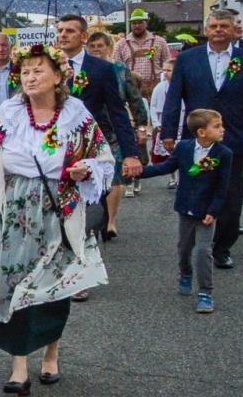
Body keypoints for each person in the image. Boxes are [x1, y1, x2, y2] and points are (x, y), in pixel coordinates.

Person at [0, 42, 112, 394]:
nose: (29, 78)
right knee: (11, 282)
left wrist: (85, 168)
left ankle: (51, 353)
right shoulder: (9, 113)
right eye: (25, 72)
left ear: (58, 76)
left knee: (52, 284)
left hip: (57, 207)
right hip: (13, 208)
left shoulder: (76, 116)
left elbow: (103, 159)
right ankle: (19, 366)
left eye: (38, 71)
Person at [158, 9, 243, 270]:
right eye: (214, 26)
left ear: (233, 30)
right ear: (206, 30)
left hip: (234, 136)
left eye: (224, 26)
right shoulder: (188, 59)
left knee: (232, 194)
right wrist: (168, 133)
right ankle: (197, 241)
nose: (219, 30)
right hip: (197, 139)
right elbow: (173, 98)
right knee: (198, 189)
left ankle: (222, 247)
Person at [134, 110, 233, 314]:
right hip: (185, 207)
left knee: (204, 251)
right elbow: (166, 167)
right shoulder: (184, 148)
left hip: (206, 211)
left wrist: (214, 210)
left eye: (221, 125)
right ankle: (185, 273)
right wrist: (140, 172)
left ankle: (205, 292)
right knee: (184, 249)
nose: (222, 129)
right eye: (217, 126)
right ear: (201, 132)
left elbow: (223, 188)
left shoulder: (224, 154)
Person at [54, 14, 141, 240]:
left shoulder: (101, 69)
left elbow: (117, 112)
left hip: (89, 145)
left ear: (84, 36)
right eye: (60, 30)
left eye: (70, 31)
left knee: (91, 211)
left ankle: (89, 241)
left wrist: (130, 154)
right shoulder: (48, 65)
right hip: (54, 146)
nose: (63, 35)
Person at [87, 30, 149, 218]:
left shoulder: (120, 70)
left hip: (114, 128)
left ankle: (111, 220)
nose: (96, 49)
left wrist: (141, 126)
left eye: (100, 46)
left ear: (109, 48)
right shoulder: (82, 68)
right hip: (91, 127)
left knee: (114, 172)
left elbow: (135, 99)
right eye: (92, 46)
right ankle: (96, 215)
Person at [114, 8, 170, 96]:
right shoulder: (121, 44)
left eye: (140, 22)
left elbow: (168, 65)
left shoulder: (160, 42)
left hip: (156, 90)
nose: (137, 26)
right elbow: (117, 70)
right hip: (131, 91)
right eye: (134, 23)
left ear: (146, 23)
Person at [148, 60, 181, 186]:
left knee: (181, 152)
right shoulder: (159, 87)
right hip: (163, 123)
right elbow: (153, 106)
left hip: (180, 123)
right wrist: (156, 123)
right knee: (169, 154)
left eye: (169, 70)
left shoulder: (183, 86)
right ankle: (173, 178)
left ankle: (182, 177)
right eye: (164, 70)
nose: (166, 73)